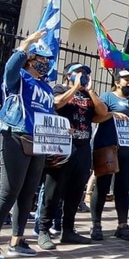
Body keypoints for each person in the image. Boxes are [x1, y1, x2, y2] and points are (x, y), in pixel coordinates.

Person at [37, 62, 108, 250]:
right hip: (61, 147)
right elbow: (56, 103)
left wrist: (90, 90)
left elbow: (102, 113)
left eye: (85, 73)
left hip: (82, 148)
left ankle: (68, 230)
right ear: (68, 75)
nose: (82, 75)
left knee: (75, 192)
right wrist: (75, 88)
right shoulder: (59, 89)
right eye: (78, 72)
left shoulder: (88, 94)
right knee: (53, 191)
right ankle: (44, 229)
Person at [0, 30, 55, 257]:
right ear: (30, 61)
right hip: (16, 135)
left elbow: (49, 114)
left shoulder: (47, 88)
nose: (45, 64)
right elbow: (10, 69)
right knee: (9, 191)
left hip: (39, 142)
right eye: (41, 59)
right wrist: (27, 43)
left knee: (28, 192)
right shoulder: (19, 79)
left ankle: (17, 240)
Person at [90, 69, 129, 241]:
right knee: (102, 186)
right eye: (126, 80)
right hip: (108, 147)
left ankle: (122, 225)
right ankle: (96, 225)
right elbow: (95, 118)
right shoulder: (107, 97)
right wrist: (111, 115)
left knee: (123, 188)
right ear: (117, 82)